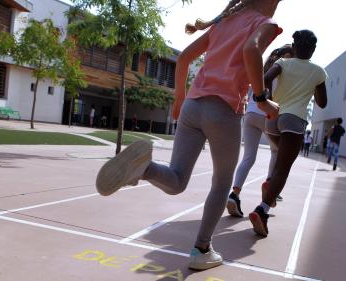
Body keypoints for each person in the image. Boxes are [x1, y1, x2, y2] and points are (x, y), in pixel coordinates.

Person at [95, 0, 283, 270]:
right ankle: (201, 249)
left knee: (177, 179)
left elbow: (183, 58)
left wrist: (179, 98)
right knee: (221, 184)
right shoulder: (264, 24)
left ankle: (144, 169)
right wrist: (262, 99)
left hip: (193, 106)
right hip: (224, 110)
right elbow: (250, 49)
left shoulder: (225, 21)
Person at [249, 30, 328, 237]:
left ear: (293, 47)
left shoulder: (283, 64)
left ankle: (270, 187)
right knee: (283, 169)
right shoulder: (318, 72)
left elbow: (264, 78)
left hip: (274, 119)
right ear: (313, 49)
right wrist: (314, 86)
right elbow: (322, 103)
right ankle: (262, 211)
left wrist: (267, 97)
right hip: (294, 121)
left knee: (279, 163)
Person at [227, 44, 293, 218]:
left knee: (248, 157)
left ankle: (234, 194)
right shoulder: (282, 71)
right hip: (267, 114)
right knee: (276, 151)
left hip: (250, 114)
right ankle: (270, 185)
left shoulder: (262, 69)